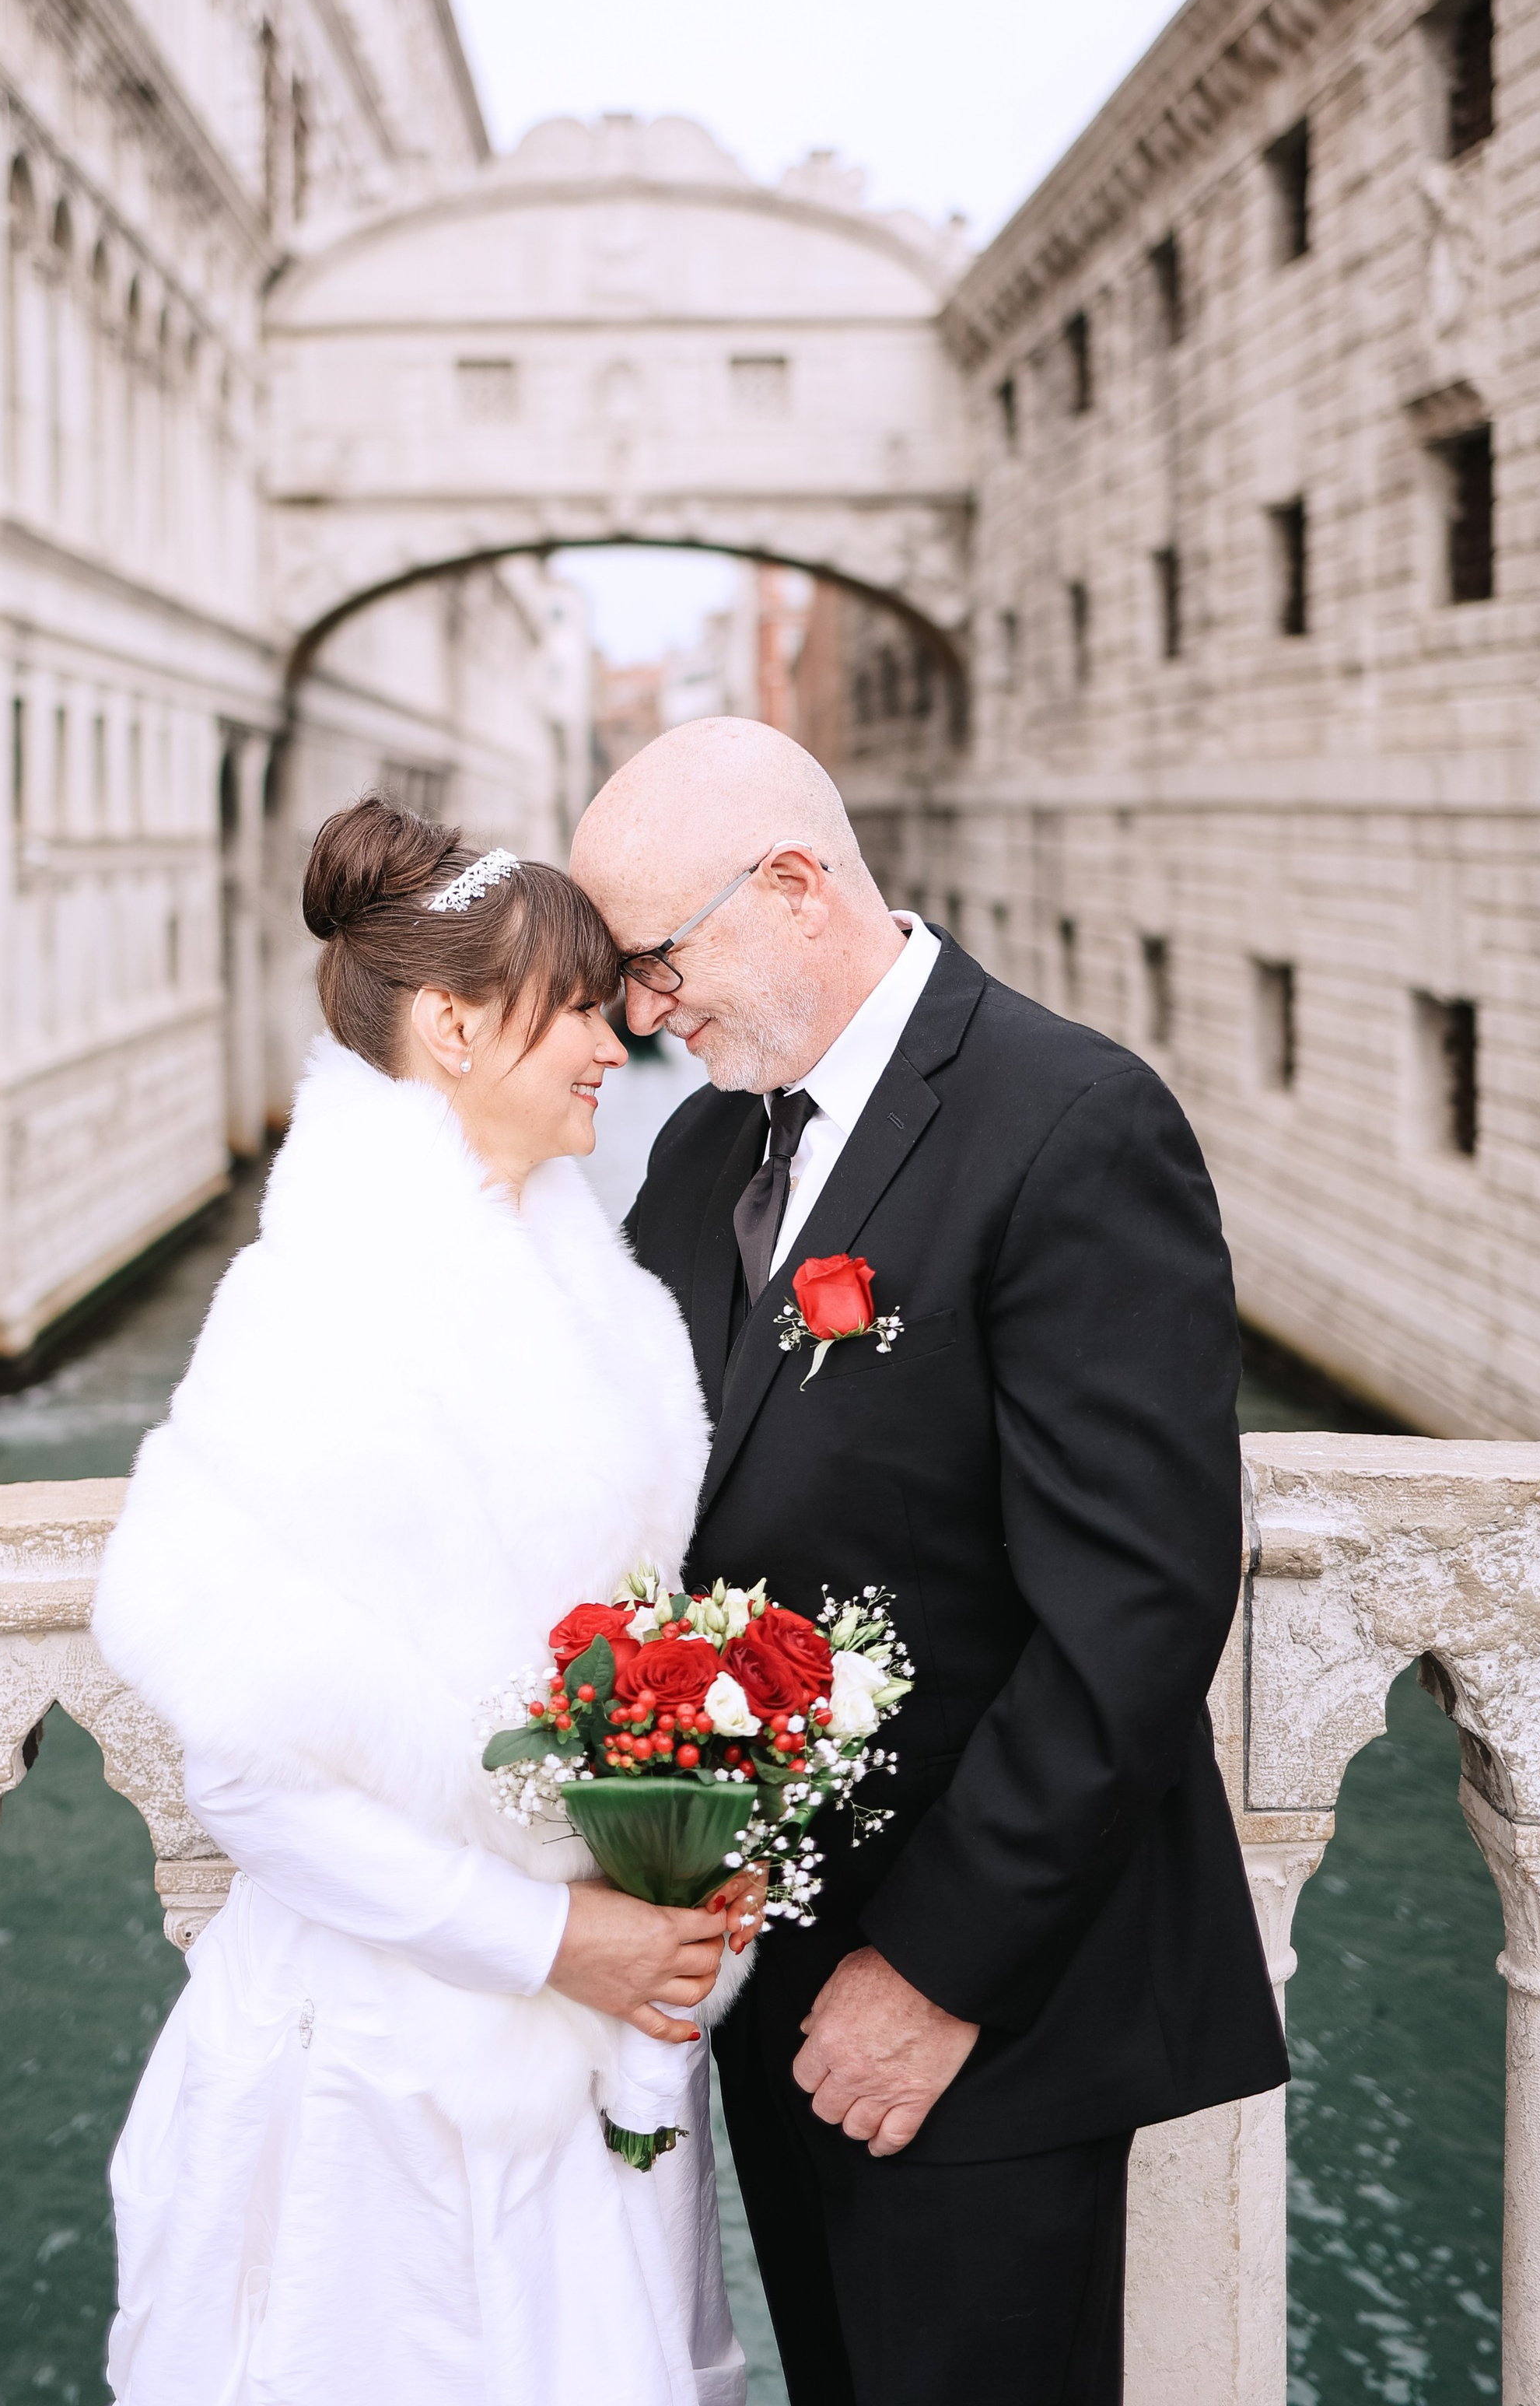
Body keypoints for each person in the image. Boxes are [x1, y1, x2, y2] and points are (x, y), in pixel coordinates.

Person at [569, 716, 1290, 2406]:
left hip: (982, 2004)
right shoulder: (696, 1150)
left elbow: (1135, 1607)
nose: (642, 1014)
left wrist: (934, 1976)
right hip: (759, 1977)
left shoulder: (1068, 1121)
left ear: (797, 887)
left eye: (656, 963)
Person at [91, 795, 749, 2406]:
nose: (615, 1042)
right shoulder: (319, 1313)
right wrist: (548, 1942)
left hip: (593, 2043)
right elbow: (247, 1773)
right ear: (453, 1027)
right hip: (388, 2081)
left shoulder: (575, 1277)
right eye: (579, 1006)